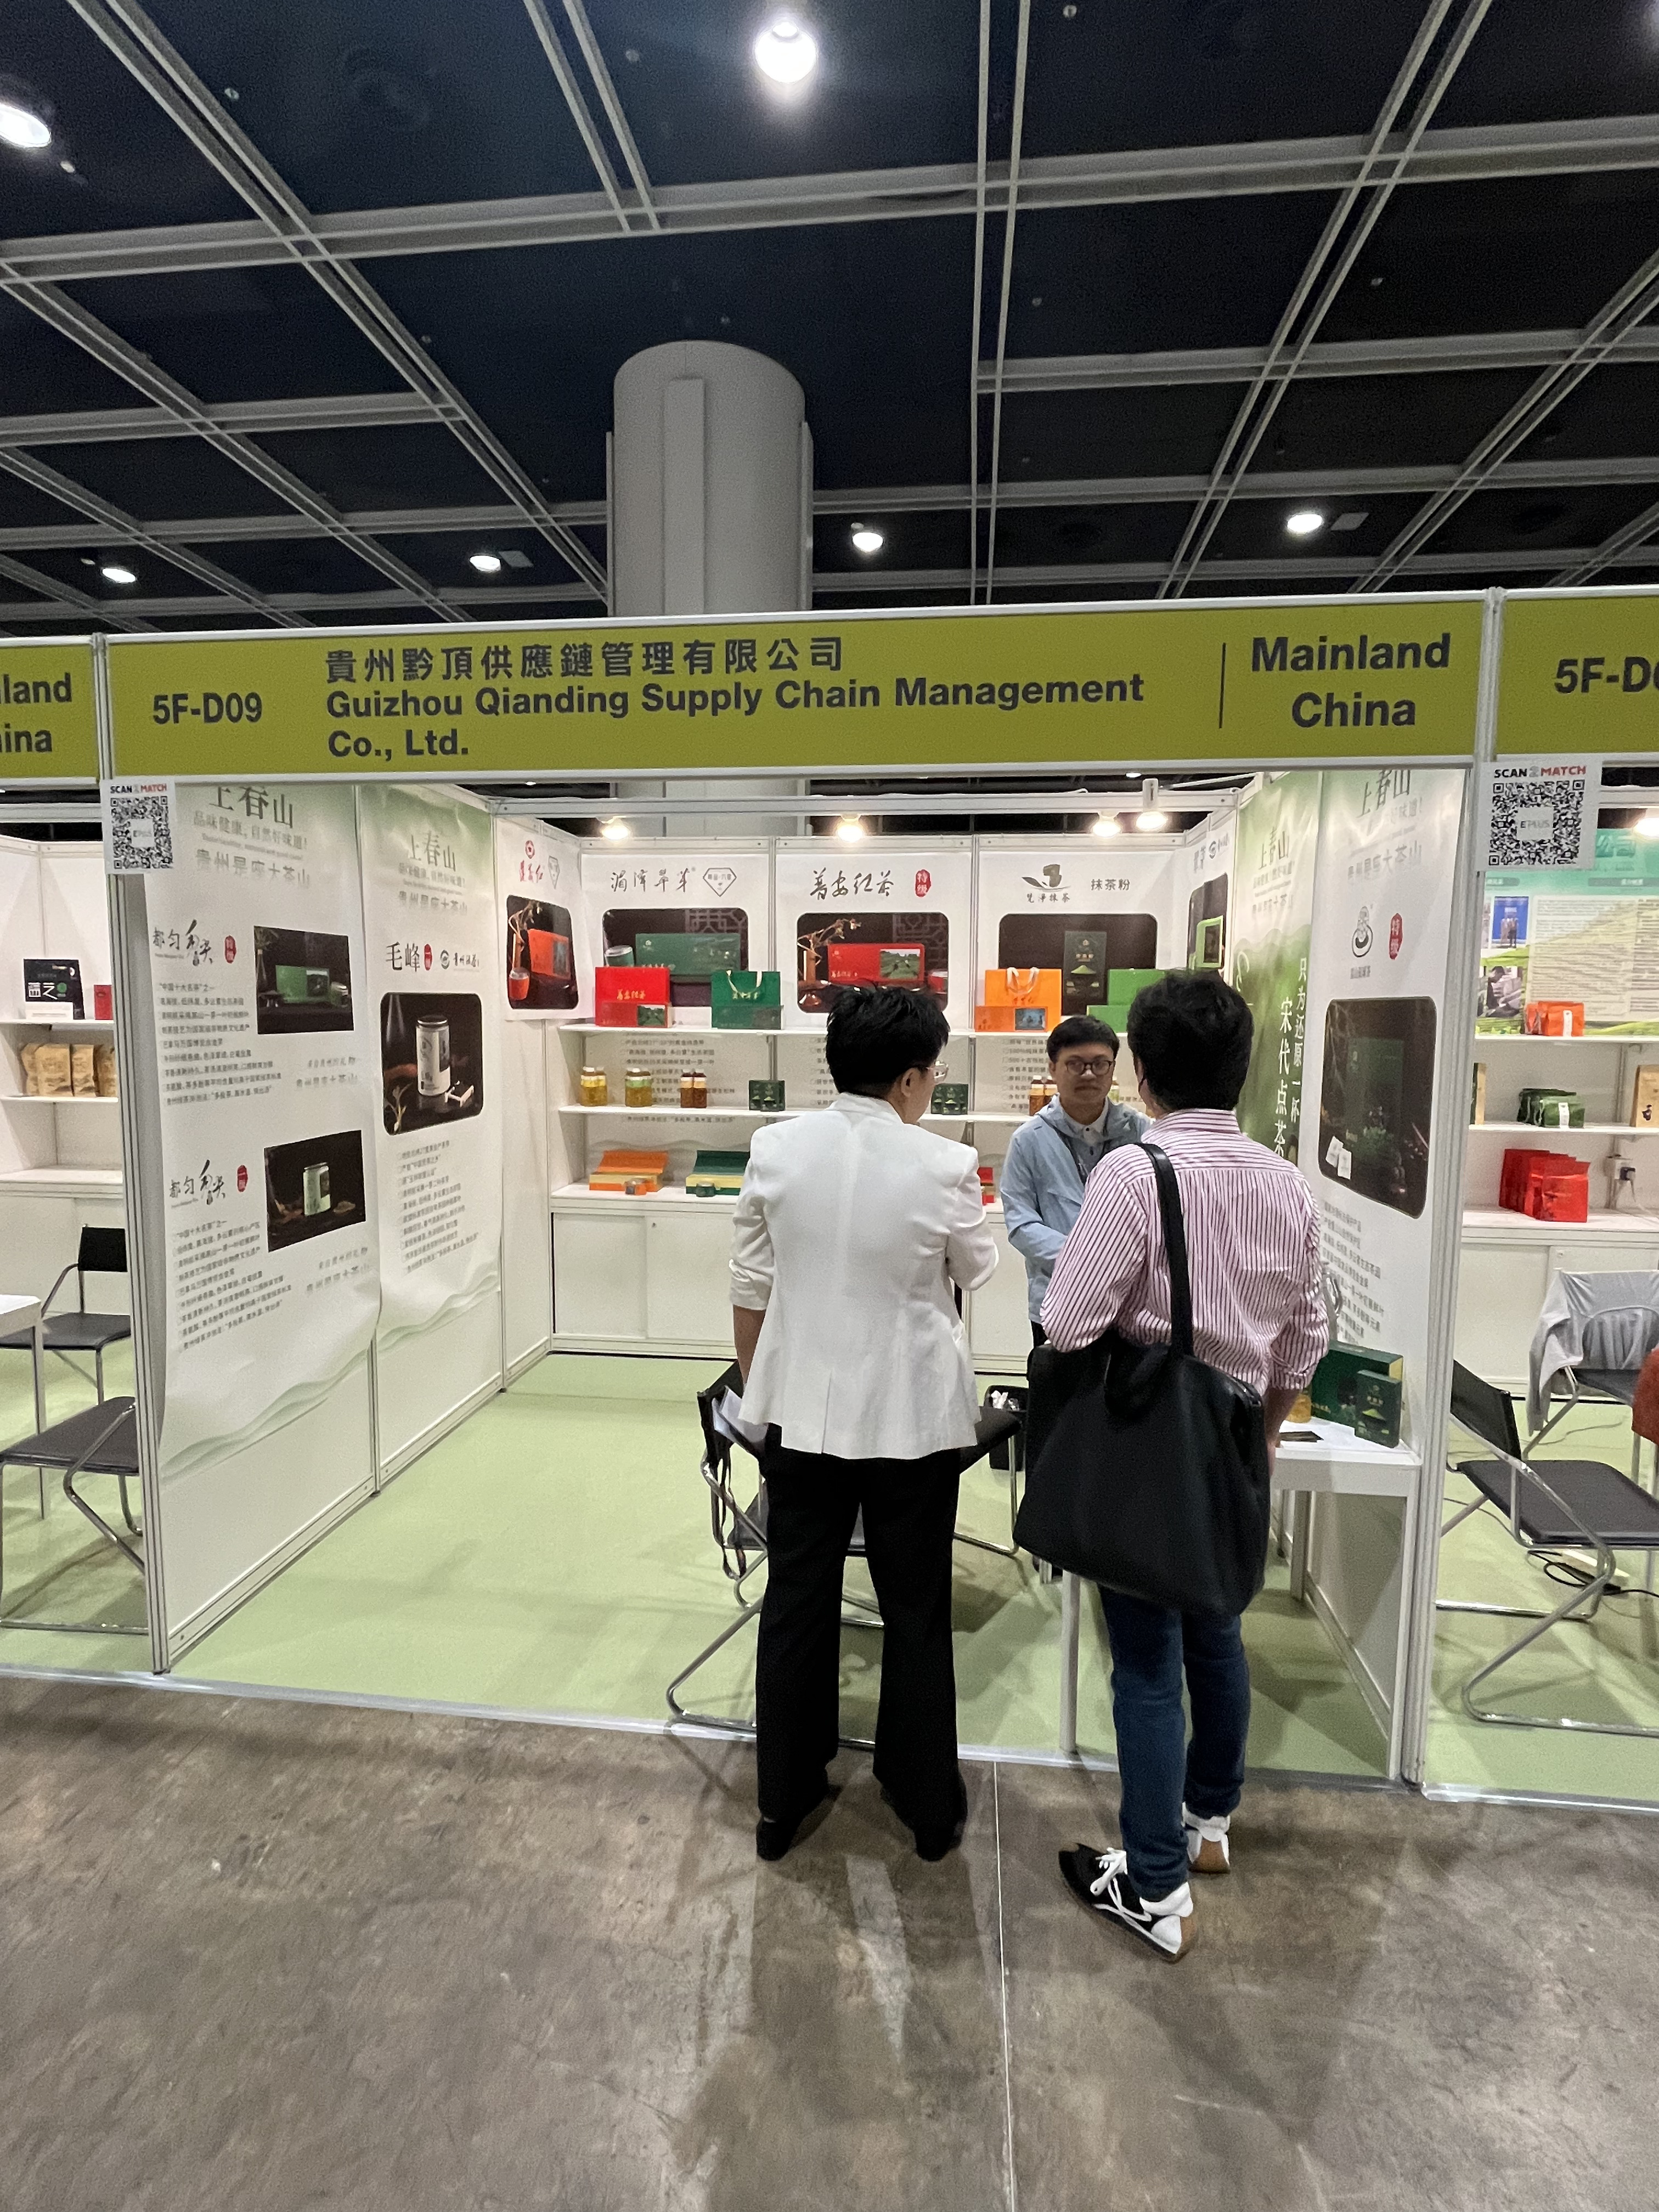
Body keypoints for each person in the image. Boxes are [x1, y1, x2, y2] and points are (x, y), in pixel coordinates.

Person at [1039, 970, 1328, 1961]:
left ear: (1144, 1074)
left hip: (1148, 1443)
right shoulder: (1287, 1184)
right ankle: (1210, 1824)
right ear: (1240, 1069)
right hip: (1236, 1437)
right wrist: (1264, 1433)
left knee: (1146, 1662)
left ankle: (1155, 1887)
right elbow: (1305, 1340)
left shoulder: (1133, 1173)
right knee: (1219, 1632)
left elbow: (1067, 1320)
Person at [729, 985, 998, 1864]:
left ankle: (782, 1800)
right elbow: (977, 1269)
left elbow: (750, 1286)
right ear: (912, 1078)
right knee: (914, 1606)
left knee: (795, 1599)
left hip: (799, 1413)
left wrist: (761, 1392)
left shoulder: (775, 1149)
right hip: (910, 1420)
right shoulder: (947, 1164)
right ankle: (925, 1805)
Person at [1000, 1015, 1148, 1344]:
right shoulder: (1029, 1139)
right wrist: (1086, 1259)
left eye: (1100, 1064)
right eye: (1076, 1064)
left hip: (1131, 1303)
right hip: (1057, 1299)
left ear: (1113, 1068)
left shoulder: (1140, 1131)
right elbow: (1021, 1223)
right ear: (1053, 1069)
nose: (1089, 1074)